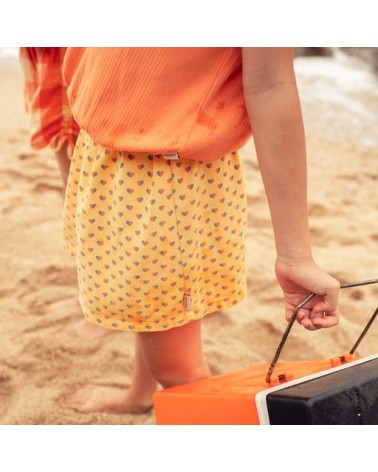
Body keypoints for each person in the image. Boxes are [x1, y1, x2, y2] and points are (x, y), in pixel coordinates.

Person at [61, 47, 340, 414]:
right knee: (147, 310)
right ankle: (140, 394)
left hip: (164, 177)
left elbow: (271, 86)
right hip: (110, 152)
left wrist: (295, 255)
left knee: (176, 366)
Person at [19, 47, 110, 339]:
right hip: (46, 48)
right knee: (71, 184)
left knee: (94, 186)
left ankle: (104, 304)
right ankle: (89, 292)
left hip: (76, 46)